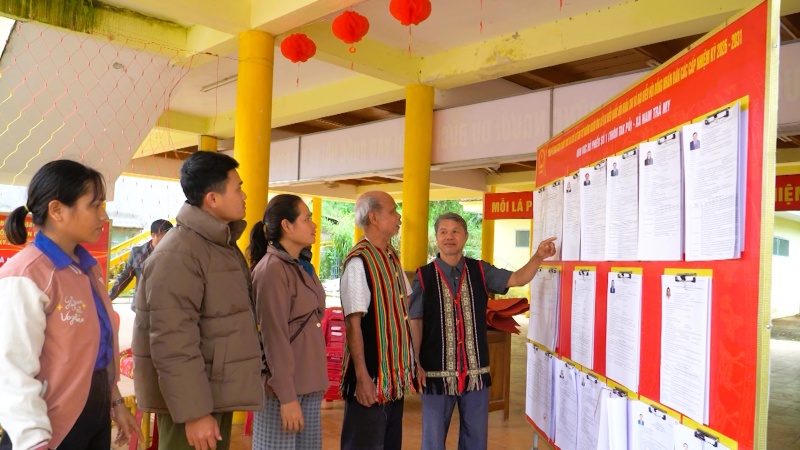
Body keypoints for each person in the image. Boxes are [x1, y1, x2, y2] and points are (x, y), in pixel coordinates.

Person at [0, 160, 141, 449]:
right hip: (47, 430)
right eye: (95, 205)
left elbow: (97, 353)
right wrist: (33, 439)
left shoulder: (87, 269)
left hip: (91, 415)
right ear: (57, 211)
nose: (103, 215)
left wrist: (115, 402)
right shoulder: (27, 276)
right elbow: (11, 372)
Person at [132, 151, 264, 450]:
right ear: (212, 199)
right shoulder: (179, 253)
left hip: (212, 394)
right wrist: (194, 412)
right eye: (238, 188)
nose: (244, 195)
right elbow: (172, 339)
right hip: (192, 405)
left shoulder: (219, 246)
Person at [409, 212, 557, 450]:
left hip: (475, 371)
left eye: (456, 231)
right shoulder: (423, 276)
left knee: (476, 440)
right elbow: (416, 320)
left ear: (465, 237)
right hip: (436, 373)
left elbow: (518, 278)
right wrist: (416, 362)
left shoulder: (480, 270)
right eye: (443, 232)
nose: (449, 237)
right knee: (433, 441)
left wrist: (538, 257)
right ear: (436, 238)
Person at [248, 194, 328, 449]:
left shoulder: (301, 265)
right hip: (283, 391)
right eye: (307, 218)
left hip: (309, 384)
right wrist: (286, 398)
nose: (314, 225)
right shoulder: (271, 270)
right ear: (287, 225)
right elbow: (274, 339)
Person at [339, 191, 415, 450]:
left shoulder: (391, 257)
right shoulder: (359, 262)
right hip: (372, 377)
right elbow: (353, 324)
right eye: (393, 211)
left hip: (393, 377)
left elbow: (405, 308)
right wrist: (362, 378)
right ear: (374, 217)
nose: (399, 217)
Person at [109, 219, 173, 310]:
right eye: (164, 237)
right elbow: (124, 278)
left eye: (171, 237)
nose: (169, 240)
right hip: (142, 307)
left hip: (165, 308)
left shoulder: (175, 254)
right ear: (153, 235)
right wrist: (108, 299)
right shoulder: (137, 254)